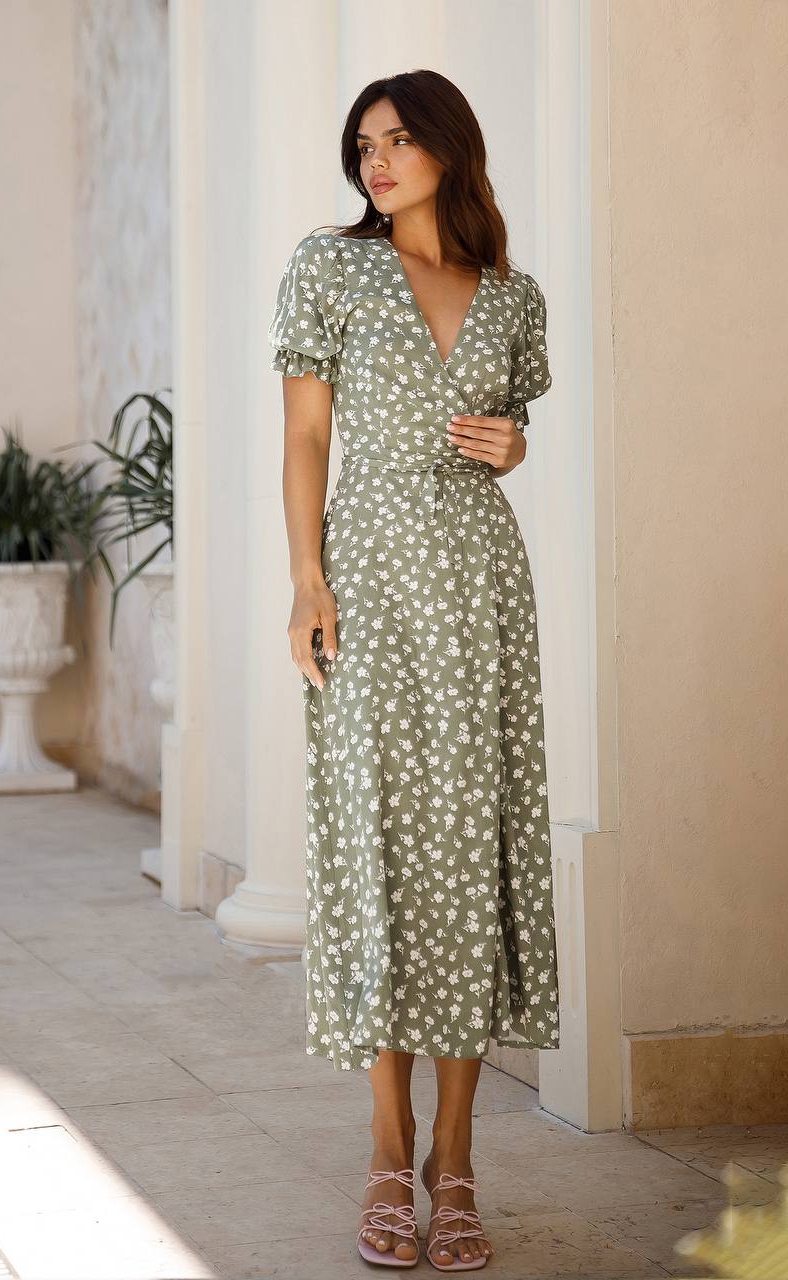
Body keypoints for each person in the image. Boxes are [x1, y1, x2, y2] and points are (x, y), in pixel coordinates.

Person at [268, 70, 561, 1271]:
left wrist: (511, 443)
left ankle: (457, 1155)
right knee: (381, 843)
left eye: (396, 140)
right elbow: (305, 434)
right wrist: (307, 579)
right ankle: (388, 1149)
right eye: (362, 145)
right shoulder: (329, 268)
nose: (375, 161)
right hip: (371, 585)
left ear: (449, 148)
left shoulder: (512, 296)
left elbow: (506, 433)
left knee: (466, 853)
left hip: (480, 589)